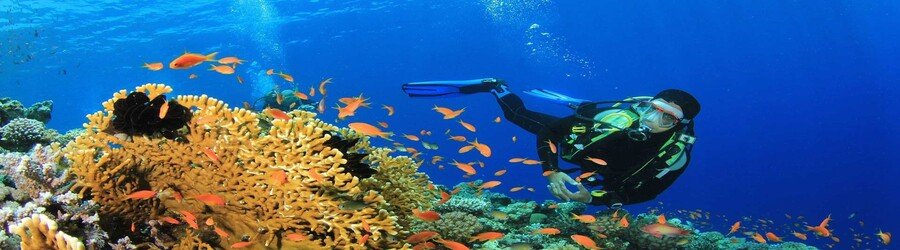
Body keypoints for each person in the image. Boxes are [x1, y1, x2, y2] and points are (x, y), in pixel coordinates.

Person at [402, 78, 700, 208]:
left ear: (679, 125)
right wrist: (551, 170)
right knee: (516, 115)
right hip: (576, 142)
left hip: (601, 170)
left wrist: (590, 199)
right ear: (644, 105)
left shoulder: (673, 154)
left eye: (666, 119)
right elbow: (550, 133)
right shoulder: (616, 117)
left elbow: (647, 193)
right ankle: (496, 86)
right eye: (651, 109)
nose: (650, 120)